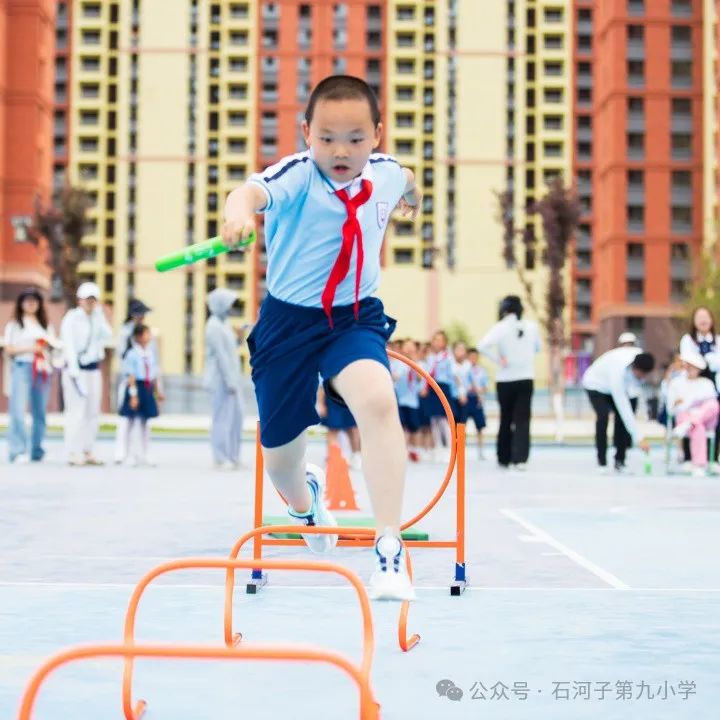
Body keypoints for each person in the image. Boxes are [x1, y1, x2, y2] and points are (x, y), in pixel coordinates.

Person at [221, 75, 421, 600]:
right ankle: (304, 501)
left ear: (377, 135)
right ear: (307, 133)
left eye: (356, 138)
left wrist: (412, 202)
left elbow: (409, 178)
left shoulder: (387, 174)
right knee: (281, 460)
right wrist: (239, 215)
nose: (341, 150)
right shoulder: (295, 177)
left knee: (378, 401)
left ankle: (389, 549)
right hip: (289, 323)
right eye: (327, 137)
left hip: (354, 319)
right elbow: (247, 192)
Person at [477, 295, 540, 470]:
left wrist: (499, 360)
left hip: (505, 379)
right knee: (522, 420)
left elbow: (482, 346)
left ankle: (503, 457)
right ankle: (520, 459)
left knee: (505, 418)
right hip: (526, 377)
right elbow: (538, 348)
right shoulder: (532, 327)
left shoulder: (500, 327)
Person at [59, 282, 113, 466]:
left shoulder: (97, 318)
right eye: (87, 299)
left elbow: (107, 335)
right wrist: (73, 371)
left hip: (93, 369)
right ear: (79, 300)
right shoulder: (72, 318)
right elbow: (69, 346)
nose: (90, 303)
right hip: (76, 371)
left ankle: (87, 450)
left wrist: (100, 317)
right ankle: (72, 451)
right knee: (76, 412)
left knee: (92, 412)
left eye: (94, 299)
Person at [3, 288, 58, 463]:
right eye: (27, 300)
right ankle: (18, 449)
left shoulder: (45, 325)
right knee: (18, 410)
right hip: (22, 366)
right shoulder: (14, 325)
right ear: (21, 303)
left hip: (42, 369)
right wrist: (31, 349)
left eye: (34, 300)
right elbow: (9, 349)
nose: (31, 303)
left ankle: (37, 449)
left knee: (40, 411)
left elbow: (52, 344)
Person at [582, 346, 655, 473]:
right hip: (596, 385)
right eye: (641, 375)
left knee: (622, 420)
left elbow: (635, 398)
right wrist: (639, 438)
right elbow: (623, 407)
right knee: (603, 416)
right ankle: (602, 462)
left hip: (614, 387)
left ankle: (620, 461)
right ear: (635, 369)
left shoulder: (641, 358)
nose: (642, 378)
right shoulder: (618, 371)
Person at [114, 298, 161, 464]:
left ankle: (142, 453)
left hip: (146, 382)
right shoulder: (125, 333)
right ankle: (122, 453)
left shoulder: (149, 336)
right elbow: (123, 357)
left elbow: (154, 363)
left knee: (143, 421)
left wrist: (158, 388)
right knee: (126, 418)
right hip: (130, 380)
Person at [204, 287, 244, 470]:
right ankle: (220, 457)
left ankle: (233, 455)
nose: (230, 308)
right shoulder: (212, 326)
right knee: (222, 419)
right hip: (221, 379)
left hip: (232, 378)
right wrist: (230, 381)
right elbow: (221, 356)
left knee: (236, 417)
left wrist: (239, 338)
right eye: (227, 304)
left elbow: (230, 349)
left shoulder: (224, 323)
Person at [679, 306, 720, 466]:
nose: (703, 320)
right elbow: (687, 361)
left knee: (714, 418)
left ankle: (713, 457)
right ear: (694, 321)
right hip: (692, 384)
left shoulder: (717, 340)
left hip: (712, 384)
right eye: (699, 317)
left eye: (706, 317)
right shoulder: (688, 340)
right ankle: (689, 457)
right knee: (687, 413)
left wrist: (710, 359)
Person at [666, 351, 719, 477]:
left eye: (693, 367)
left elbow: (711, 405)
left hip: (704, 419)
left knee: (713, 405)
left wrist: (690, 402)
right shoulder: (676, 383)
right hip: (684, 417)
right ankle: (699, 465)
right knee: (697, 427)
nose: (690, 370)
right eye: (688, 366)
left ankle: (691, 423)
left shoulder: (706, 383)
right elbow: (671, 408)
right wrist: (689, 404)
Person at [392, 338, 422, 463]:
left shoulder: (417, 364)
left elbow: (420, 379)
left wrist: (414, 364)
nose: (409, 349)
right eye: (406, 346)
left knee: (414, 427)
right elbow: (394, 377)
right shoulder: (396, 363)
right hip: (400, 399)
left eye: (411, 347)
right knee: (402, 426)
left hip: (412, 400)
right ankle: (403, 450)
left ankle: (415, 450)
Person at [466, 348, 489, 460]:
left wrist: (480, 391)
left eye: (475, 357)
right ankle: (461, 451)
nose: (473, 359)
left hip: (477, 400)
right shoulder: (464, 370)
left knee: (480, 427)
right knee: (462, 426)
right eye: (470, 357)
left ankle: (481, 452)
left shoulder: (482, 371)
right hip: (466, 399)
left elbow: (486, 386)